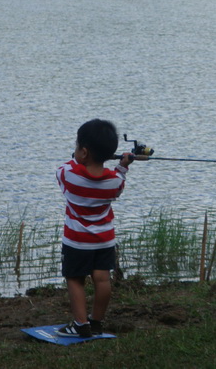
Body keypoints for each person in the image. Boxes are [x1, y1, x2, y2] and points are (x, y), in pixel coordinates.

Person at [55, 119, 133, 338]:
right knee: (102, 279)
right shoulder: (114, 183)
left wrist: (78, 158)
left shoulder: (68, 175)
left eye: (77, 146)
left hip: (77, 241)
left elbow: (67, 166)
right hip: (104, 240)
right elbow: (119, 178)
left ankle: (80, 325)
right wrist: (123, 165)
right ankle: (96, 322)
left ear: (84, 151)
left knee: (75, 279)